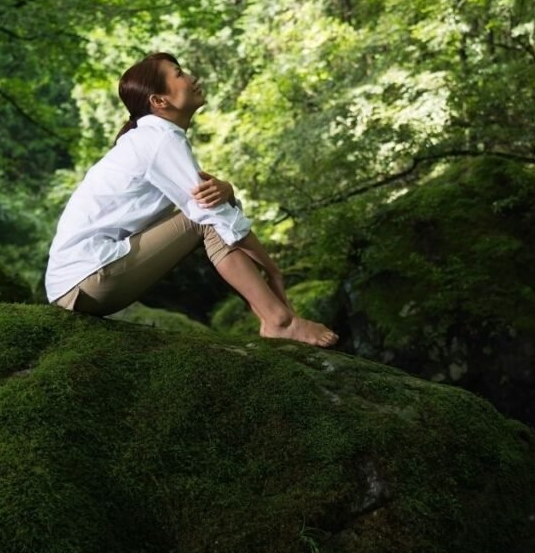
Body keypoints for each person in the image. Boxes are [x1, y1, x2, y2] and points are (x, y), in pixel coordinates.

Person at [45, 51, 338, 348]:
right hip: (86, 280)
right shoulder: (159, 140)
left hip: (80, 282)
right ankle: (281, 321)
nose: (192, 78)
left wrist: (229, 190)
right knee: (205, 222)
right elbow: (211, 217)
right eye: (179, 73)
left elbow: (213, 202)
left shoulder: (153, 138)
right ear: (159, 101)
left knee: (211, 215)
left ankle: (271, 318)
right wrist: (272, 269)